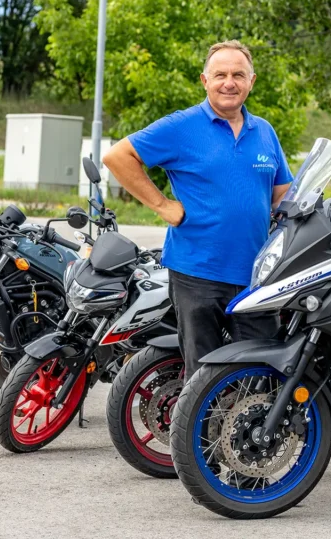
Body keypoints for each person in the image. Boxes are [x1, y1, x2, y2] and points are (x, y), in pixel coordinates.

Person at [102, 40, 293, 378]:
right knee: (203, 375)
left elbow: (283, 194)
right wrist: (163, 206)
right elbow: (118, 156)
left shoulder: (264, 132)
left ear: (252, 81)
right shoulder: (182, 127)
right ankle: (201, 432)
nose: (229, 82)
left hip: (257, 276)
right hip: (198, 274)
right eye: (220, 74)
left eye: (238, 74)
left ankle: (244, 431)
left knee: (260, 372)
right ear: (205, 81)